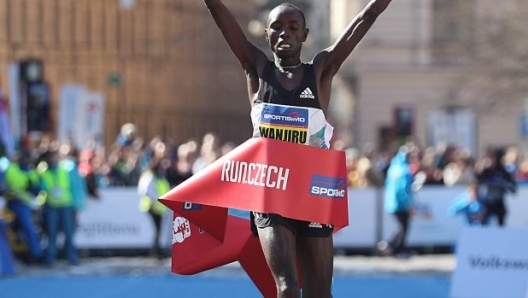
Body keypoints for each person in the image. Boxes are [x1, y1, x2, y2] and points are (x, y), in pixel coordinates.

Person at [200, 0, 393, 296]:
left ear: (305, 34)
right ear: (266, 34)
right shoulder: (257, 70)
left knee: (319, 293)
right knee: (288, 288)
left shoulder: (320, 71)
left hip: (313, 193)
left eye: (292, 28)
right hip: (271, 193)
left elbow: (367, 16)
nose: (284, 33)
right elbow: (217, 10)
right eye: (276, 27)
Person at [37, 150, 80, 266]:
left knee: (69, 232)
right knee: (51, 233)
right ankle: (50, 258)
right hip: (52, 206)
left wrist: (76, 204)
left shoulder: (64, 171)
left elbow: (73, 186)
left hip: (66, 205)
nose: (52, 160)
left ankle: (72, 257)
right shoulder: (44, 173)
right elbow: (42, 189)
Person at [4, 149, 43, 263]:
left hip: (25, 204)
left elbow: (37, 189)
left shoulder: (31, 172)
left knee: (29, 227)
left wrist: (33, 188)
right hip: (10, 203)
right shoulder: (11, 169)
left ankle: (36, 254)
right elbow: (4, 185)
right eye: (24, 158)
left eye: (28, 158)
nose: (26, 160)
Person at [377, 146, 414, 258]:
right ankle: (395, 248)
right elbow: (403, 189)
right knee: (404, 227)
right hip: (401, 203)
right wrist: (408, 204)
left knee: (401, 226)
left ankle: (390, 246)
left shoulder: (393, 167)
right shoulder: (405, 170)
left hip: (391, 202)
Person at [137, 144, 171, 259]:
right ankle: (155, 252)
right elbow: (145, 190)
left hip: (157, 206)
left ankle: (156, 251)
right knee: (157, 230)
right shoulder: (150, 175)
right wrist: (158, 199)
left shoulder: (158, 175)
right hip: (152, 206)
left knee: (158, 230)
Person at [475, 148, 517, 226]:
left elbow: (512, 187)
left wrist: (503, 184)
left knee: (501, 219)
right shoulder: (486, 171)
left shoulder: (503, 171)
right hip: (487, 201)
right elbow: (477, 179)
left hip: (498, 200)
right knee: (483, 220)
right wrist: (480, 167)